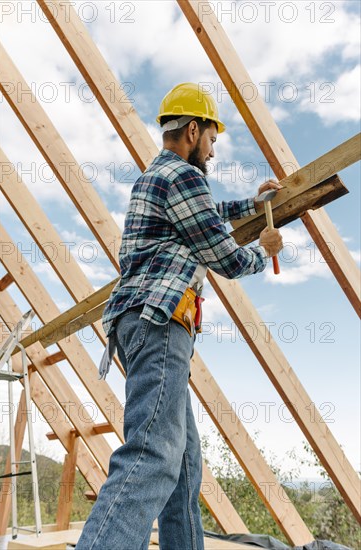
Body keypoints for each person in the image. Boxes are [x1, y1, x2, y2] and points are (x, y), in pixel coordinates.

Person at [76, 82, 283, 550]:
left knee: (184, 462)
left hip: (136, 323)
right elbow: (225, 257)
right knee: (153, 454)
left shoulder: (160, 177)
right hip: (161, 323)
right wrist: (261, 250)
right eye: (211, 138)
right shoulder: (184, 178)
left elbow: (207, 214)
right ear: (193, 129)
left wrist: (254, 203)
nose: (212, 150)